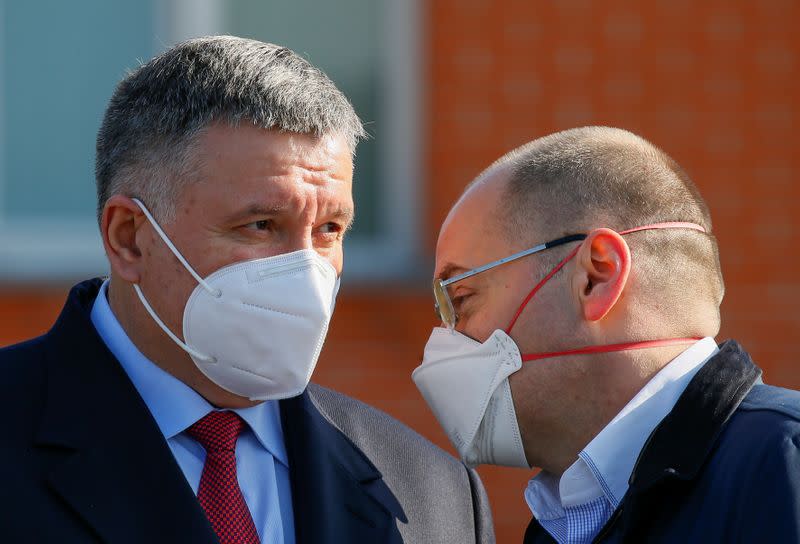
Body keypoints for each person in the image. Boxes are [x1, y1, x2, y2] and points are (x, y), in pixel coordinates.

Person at [0, 36, 493, 544]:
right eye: (259, 224)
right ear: (129, 237)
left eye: (329, 230)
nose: (306, 270)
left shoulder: (434, 493)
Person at [413, 126, 800, 543]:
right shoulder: (562, 522)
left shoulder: (785, 467)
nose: (443, 339)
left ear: (596, 277)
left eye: (461, 298)